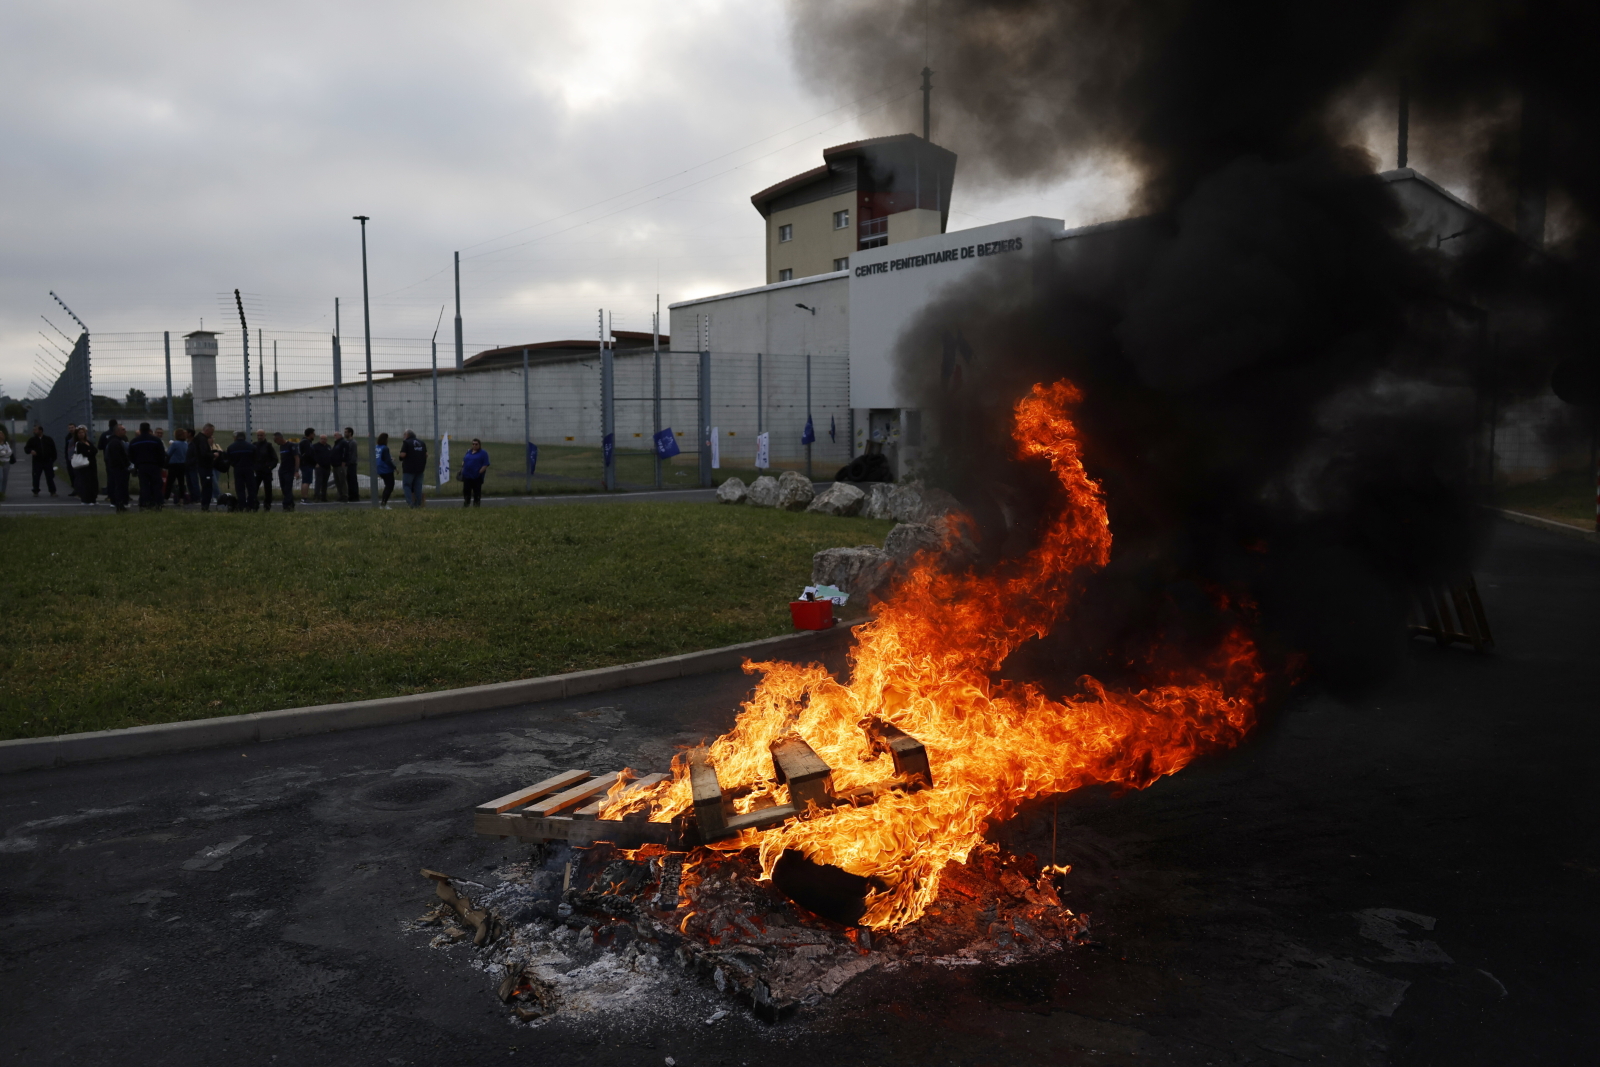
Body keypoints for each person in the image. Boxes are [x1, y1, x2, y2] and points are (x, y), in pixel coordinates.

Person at [127, 422, 165, 510]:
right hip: (154, 466)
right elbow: (161, 454)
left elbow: (130, 455)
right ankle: (158, 503)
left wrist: (136, 463)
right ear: (149, 430)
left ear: (140, 430)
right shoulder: (156, 440)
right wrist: (160, 465)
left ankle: (144, 503)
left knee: (144, 485)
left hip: (141, 466)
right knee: (156, 485)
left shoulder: (134, 441)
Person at [24, 425, 59, 496]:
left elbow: (53, 450)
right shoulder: (32, 440)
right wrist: (31, 451)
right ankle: (35, 490)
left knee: (49, 477)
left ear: (40, 430)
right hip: (37, 461)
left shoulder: (48, 439)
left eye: (35, 430)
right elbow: (26, 448)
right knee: (36, 476)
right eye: (34, 430)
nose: (34, 431)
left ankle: (52, 491)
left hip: (47, 461)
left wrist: (52, 459)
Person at [104, 424, 132, 512]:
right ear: (117, 431)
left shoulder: (116, 441)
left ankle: (121, 504)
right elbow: (117, 457)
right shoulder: (115, 442)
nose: (125, 431)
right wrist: (124, 466)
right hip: (118, 469)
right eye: (123, 429)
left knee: (120, 487)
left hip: (118, 468)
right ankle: (119, 505)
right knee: (119, 487)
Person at [225, 431, 255, 510]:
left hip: (238, 469)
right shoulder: (251, 447)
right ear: (244, 437)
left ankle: (242, 506)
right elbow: (255, 458)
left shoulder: (231, 447)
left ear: (236, 437)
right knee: (251, 488)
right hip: (249, 469)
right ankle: (250, 506)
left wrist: (234, 464)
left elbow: (229, 459)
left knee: (240, 488)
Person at [69, 426, 99, 505]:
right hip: (85, 466)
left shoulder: (88, 442)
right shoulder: (78, 444)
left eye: (82, 432)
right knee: (86, 482)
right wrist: (89, 451)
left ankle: (93, 499)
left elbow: (95, 450)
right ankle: (86, 499)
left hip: (92, 465)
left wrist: (90, 451)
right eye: (79, 433)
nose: (81, 434)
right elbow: (86, 452)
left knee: (93, 482)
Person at [398, 429, 426, 508]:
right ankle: (418, 503)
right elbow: (426, 454)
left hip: (409, 469)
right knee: (418, 486)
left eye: (404, 435)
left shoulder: (406, 442)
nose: (404, 436)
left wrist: (400, 456)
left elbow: (403, 455)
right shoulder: (421, 442)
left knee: (407, 485)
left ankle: (410, 503)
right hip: (420, 468)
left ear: (407, 435)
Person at [252, 429, 277, 511]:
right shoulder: (254, 445)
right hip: (257, 472)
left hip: (266, 472)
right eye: (258, 435)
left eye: (261, 435)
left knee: (268, 490)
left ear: (264, 436)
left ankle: (267, 506)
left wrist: (270, 467)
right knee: (254, 489)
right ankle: (254, 505)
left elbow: (275, 459)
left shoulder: (268, 446)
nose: (259, 437)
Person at [193, 423, 216, 511]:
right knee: (207, 486)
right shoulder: (202, 440)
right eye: (211, 432)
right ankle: (205, 505)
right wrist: (213, 455)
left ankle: (205, 505)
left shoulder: (198, 439)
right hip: (205, 467)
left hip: (202, 466)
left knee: (206, 485)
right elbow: (203, 453)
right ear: (207, 431)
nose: (212, 434)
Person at [459, 438, 489, 507]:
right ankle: (466, 504)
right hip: (467, 476)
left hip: (476, 476)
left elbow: (486, 464)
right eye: (473, 444)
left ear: (479, 445)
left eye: (476, 444)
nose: (474, 445)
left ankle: (476, 505)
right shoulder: (469, 451)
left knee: (476, 492)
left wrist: (479, 472)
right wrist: (463, 465)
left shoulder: (483, 453)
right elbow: (464, 459)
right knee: (466, 491)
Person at [166, 428, 191, 506]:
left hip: (174, 464)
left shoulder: (175, 444)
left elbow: (168, 453)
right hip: (182, 464)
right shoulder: (186, 444)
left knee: (170, 482)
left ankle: (165, 497)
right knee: (181, 482)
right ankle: (181, 498)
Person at [274, 432, 299, 511]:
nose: (275, 442)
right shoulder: (281, 447)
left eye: (275, 440)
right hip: (282, 470)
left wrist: (296, 470)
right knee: (284, 488)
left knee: (288, 488)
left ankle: (286, 505)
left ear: (280, 438)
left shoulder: (291, 445)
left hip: (289, 470)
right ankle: (291, 504)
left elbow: (297, 458)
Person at [375, 432, 396, 508]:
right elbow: (387, 460)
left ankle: (383, 502)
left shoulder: (377, 447)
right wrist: (394, 467)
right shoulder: (385, 448)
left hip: (379, 468)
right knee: (390, 486)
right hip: (386, 469)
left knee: (387, 486)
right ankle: (383, 503)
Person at [312, 433, 334, 501]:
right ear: (319, 439)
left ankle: (324, 497)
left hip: (327, 467)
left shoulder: (328, 447)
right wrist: (315, 463)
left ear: (326, 440)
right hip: (319, 467)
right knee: (318, 482)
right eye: (322, 439)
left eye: (324, 439)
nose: (323, 440)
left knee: (325, 483)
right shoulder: (315, 446)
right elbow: (312, 456)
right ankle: (316, 497)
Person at [330, 429, 350, 502]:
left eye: (335, 435)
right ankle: (340, 495)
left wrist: (344, 462)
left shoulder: (343, 443)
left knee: (342, 481)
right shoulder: (337, 443)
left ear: (340, 435)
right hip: (335, 465)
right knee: (337, 481)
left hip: (340, 465)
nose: (334, 436)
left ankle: (345, 496)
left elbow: (345, 453)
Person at [343, 427, 361, 502]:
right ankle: (350, 495)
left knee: (353, 480)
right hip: (348, 464)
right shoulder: (346, 442)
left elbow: (353, 454)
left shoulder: (353, 442)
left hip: (351, 464)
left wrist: (350, 463)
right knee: (348, 480)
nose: (345, 433)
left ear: (350, 433)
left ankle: (355, 496)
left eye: (346, 432)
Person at [299, 428, 316, 503]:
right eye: (313, 433)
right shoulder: (306, 442)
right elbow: (308, 454)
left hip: (305, 464)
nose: (314, 435)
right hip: (306, 464)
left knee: (305, 481)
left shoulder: (306, 442)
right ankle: (304, 497)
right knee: (306, 481)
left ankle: (304, 497)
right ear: (310, 434)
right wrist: (314, 462)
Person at [0, 427, 13, 501]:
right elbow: (2, 453)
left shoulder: (6, 444)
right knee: (0, 477)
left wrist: (4, 452)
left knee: (5, 478)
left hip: (6, 462)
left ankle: (3, 493)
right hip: (0, 462)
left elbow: (9, 452)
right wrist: (4, 452)